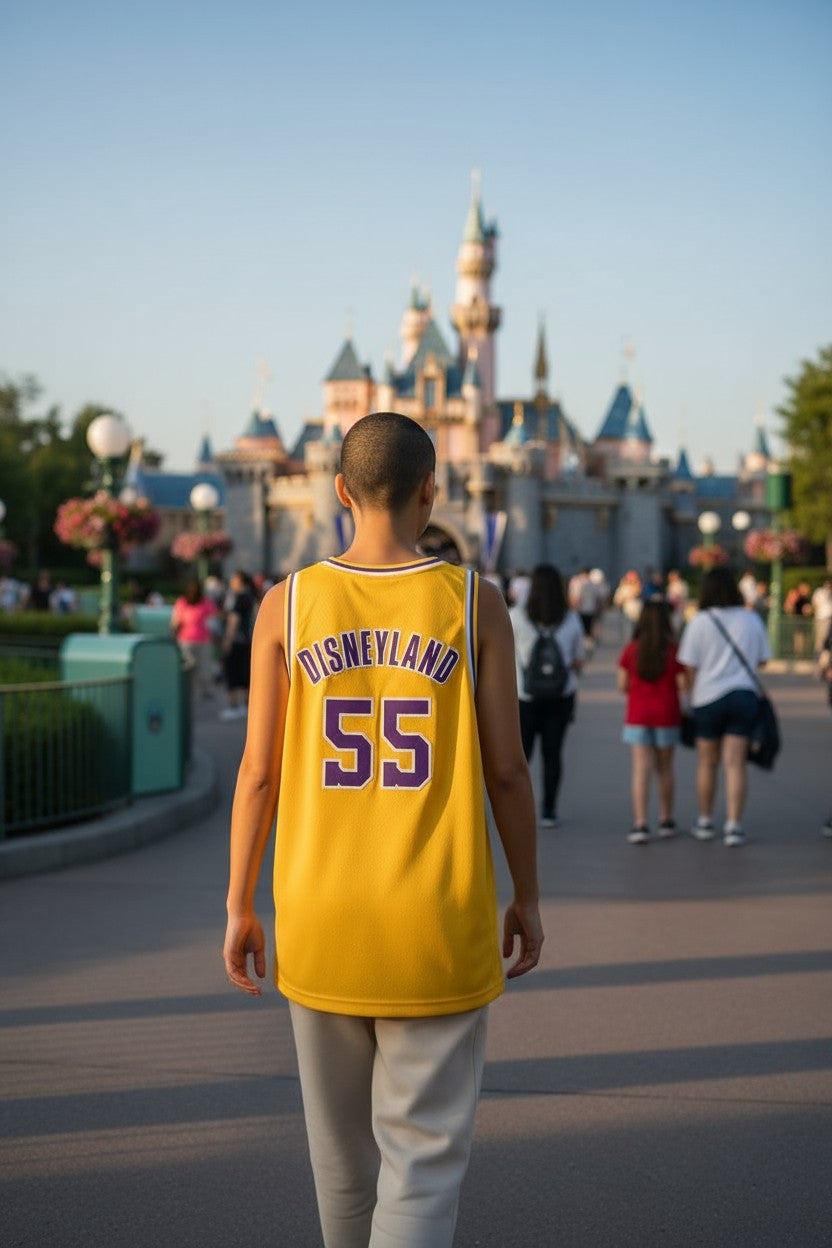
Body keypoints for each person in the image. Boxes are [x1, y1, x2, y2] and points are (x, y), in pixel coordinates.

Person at [223, 411, 543, 1248]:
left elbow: (257, 772)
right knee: (423, 1167)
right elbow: (508, 772)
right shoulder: (476, 603)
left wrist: (238, 905)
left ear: (339, 493)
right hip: (438, 917)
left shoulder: (285, 605)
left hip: (320, 914)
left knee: (340, 1165)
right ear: (430, 490)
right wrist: (529, 897)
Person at [678, 566, 771, 846]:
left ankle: (705, 820)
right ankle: (734, 825)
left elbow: (689, 666)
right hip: (743, 695)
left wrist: (688, 696)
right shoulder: (750, 619)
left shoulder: (700, 621)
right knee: (735, 763)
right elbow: (762, 660)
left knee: (707, 762)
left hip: (708, 696)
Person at [509, 563, 585, 828]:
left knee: (521, 756)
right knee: (553, 754)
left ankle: (516, 809)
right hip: (560, 696)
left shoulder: (516, 616)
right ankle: (549, 810)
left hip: (523, 696)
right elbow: (578, 659)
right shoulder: (571, 618)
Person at [617, 600, 684, 844]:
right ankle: (666, 819)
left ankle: (641, 823)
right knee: (665, 768)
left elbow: (622, 685)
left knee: (641, 769)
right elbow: (683, 685)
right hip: (667, 713)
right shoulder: (673, 650)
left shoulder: (632, 650)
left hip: (638, 714)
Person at [171, 579, 218, 697]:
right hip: (187, 640)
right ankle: (189, 690)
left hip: (202, 640)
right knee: (189, 666)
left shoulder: (206, 603)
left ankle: (203, 691)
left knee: (203, 668)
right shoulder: (182, 602)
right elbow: (176, 621)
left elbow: (213, 620)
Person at [219, 570, 254, 720]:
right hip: (247, 640)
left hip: (237, 641)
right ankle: (246, 705)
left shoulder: (240, 597)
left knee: (233, 673)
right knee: (246, 674)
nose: (232, 582)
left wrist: (227, 639)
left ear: (240, 581)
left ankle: (234, 706)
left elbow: (234, 619)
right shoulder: (251, 596)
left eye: (234, 579)